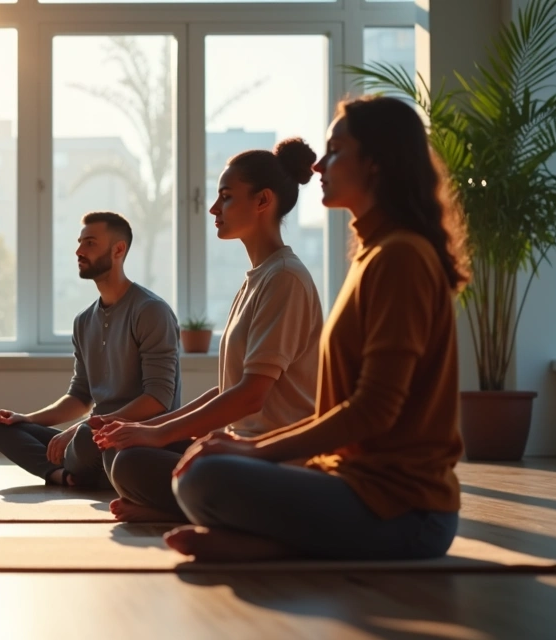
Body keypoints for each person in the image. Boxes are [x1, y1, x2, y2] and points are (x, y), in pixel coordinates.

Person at [165, 95, 471, 562]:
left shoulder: (401, 257)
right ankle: (271, 544)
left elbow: (372, 411)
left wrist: (254, 452)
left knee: (207, 479)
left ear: (374, 163)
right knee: (203, 467)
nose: (319, 164)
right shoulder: (373, 254)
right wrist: (246, 446)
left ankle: (272, 546)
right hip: (349, 482)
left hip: (407, 511)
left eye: (335, 150)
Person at [93, 139, 323, 522]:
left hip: (273, 460)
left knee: (131, 463)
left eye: (227, 197)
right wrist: (147, 426)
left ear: (263, 200)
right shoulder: (258, 278)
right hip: (236, 448)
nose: (214, 208)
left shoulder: (285, 279)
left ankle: (195, 510)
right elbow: (232, 386)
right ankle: (189, 506)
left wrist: (157, 436)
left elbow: (250, 396)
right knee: (119, 451)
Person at [0, 212, 181, 488]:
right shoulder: (83, 321)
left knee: (82, 441)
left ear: (118, 249)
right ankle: (66, 476)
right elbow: (80, 396)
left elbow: (159, 398)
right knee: (5, 432)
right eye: (79, 242)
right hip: (92, 437)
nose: (79, 250)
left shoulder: (150, 311)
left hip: (137, 438)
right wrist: (26, 418)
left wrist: (87, 427)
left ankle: (78, 470)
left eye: (90, 243)